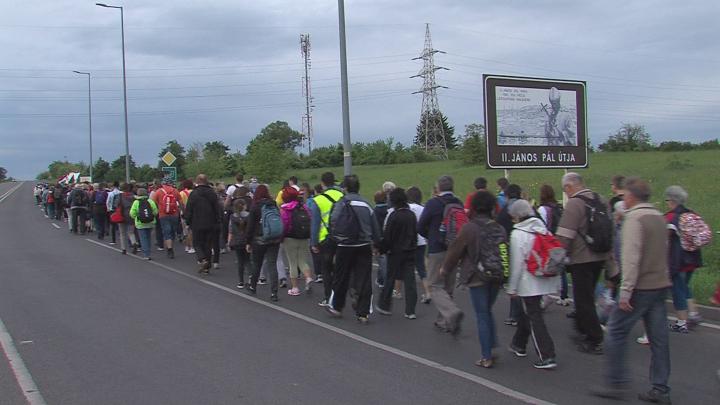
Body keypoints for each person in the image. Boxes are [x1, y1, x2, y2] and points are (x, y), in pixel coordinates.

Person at [591, 177, 672, 404]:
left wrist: (625, 292)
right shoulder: (658, 217)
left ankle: (615, 382)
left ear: (632, 196)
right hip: (660, 284)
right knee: (659, 339)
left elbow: (632, 258)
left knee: (616, 331)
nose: (623, 198)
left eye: (625, 194)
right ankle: (661, 387)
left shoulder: (634, 219)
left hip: (640, 287)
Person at [442, 191, 507, 368]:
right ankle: (491, 346)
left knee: (482, 314)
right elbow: (504, 251)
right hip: (497, 275)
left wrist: (445, 269)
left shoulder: (469, 228)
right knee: (488, 310)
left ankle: (486, 356)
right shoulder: (499, 228)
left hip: (477, 276)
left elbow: (455, 251)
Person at [556, 172, 610, 355]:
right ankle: (582, 328)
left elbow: (565, 235)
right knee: (587, 295)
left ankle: (594, 338)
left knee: (583, 299)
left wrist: (557, 258)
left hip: (581, 257)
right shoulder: (601, 199)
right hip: (600, 255)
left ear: (569, 186)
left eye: (565, 189)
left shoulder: (574, 204)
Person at [506, 200, 560, 370]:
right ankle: (518, 343)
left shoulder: (517, 234)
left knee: (534, 315)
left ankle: (546, 354)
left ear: (516, 216)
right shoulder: (542, 229)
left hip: (527, 281)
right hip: (544, 277)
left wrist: (512, 287)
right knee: (528, 313)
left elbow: (516, 264)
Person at [326, 175, 381, 323]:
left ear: (345, 188)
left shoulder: (341, 203)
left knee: (341, 277)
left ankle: (337, 306)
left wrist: (335, 239)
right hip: (363, 246)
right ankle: (363, 313)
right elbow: (375, 226)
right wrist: (376, 244)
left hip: (345, 245)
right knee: (364, 279)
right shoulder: (366, 204)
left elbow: (333, 222)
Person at [418, 175, 464, 335]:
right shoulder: (458, 203)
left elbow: (421, 226)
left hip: (437, 248)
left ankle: (451, 312)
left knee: (434, 285)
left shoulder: (432, 203)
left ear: (438, 188)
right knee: (448, 285)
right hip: (455, 248)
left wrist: (430, 236)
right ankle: (443, 320)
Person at [664, 185, 704, 333]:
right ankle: (693, 314)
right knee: (685, 287)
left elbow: (664, 241)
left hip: (677, 261)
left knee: (677, 291)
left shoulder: (670, 217)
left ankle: (681, 322)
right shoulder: (692, 214)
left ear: (672, 200)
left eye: (667, 199)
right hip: (692, 259)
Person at [376, 188, 418, 319]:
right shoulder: (411, 215)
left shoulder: (394, 216)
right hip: (410, 251)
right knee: (410, 281)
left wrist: (382, 249)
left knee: (390, 278)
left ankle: (385, 305)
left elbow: (388, 236)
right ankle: (410, 310)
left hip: (395, 252)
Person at [310, 172, 344, 307]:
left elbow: (315, 224)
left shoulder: (318, 200)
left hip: (325, 239)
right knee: (339, 268)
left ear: (322, 183)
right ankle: (339, 294)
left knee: (326, 269)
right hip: (341, 237)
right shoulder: (342, 196)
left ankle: (328, 297)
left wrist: (314, 242)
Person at [245, 185, 282, 301]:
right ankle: (274, 293)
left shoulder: (255, 206)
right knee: (272, 264)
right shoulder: (273, 204)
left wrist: (248, 241)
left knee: (257, 264)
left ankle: (253, 286)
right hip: (274, 238)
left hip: (259, 239)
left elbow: (250, 226)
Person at [496, 184, 523, 326]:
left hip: (511, 248)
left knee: (514, 281)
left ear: (507, 196)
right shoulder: (527, 207)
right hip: (529, 248)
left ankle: (515, 315)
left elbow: (498, 226)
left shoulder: (506, 210)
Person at [279, 186, 313, 296]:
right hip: (304, 236)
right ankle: (308, 278)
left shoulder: (285, 209)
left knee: (292, 262)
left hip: (290, 238)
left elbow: (284, 224)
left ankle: (295, 288)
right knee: (302, 260)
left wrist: (281, 237)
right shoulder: (304, 207)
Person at [184, 174, 221, 274]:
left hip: (197, 223)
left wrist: (187, 221)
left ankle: (202, 259)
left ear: (197, 181)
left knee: (197, 243)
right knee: (208, 245)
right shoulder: (212, 193)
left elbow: (189, 209)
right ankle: (207, 267)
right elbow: (217, 209)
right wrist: (218, 221)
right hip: (211, 223)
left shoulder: (194, 194)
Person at [406, 186, 432, 304]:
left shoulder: (407, 208)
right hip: (422, 241)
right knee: (421, 268)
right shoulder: (423, 208)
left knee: (407, 268)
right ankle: (427, 292)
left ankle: (406, 293)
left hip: (409, 241)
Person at [153, 179, 183, 259]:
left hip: (163, 215)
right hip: (174, 214)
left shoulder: (159, 191)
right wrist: (183, 211)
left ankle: (169, 249)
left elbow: (152, 202)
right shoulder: (175, 191)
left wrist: (158, 207)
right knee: (172, 231)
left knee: (166, 232)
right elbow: (181, 203)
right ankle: (170, 245)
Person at [129, 188, 159, 260]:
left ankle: (146, 254)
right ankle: (148, 250)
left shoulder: (136, 202)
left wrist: (136, 217)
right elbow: (155, 211)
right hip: (150, 222)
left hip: (140, 223)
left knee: (143, 238)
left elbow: (132, 213)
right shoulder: (150, 201)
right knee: (148, 237)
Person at [228, 199, 250, 289]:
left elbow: (231, 230)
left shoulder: (233, 217)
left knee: (240, 262)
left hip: (237, 241)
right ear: (244, 206)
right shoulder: (248, 216)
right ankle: (250, 278)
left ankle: (240, 281)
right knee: (248, 261)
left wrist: (229, 241)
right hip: (246, 240)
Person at [373, 190, 390, 289]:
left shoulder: (374, 211)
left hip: (379, 239)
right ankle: (380, 279)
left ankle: (384, 282)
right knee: (384, 261)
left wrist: (374, 243)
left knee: (382, 261)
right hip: (389, 237)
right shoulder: (389, 209)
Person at [179, 179, 195, 254]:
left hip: (184, 213)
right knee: (192, 230)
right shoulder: (194, 192)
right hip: (193, 212)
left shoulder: (181, 193)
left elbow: (180, 204)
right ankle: (192, 246)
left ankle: (187, 246)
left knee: (186, 231)